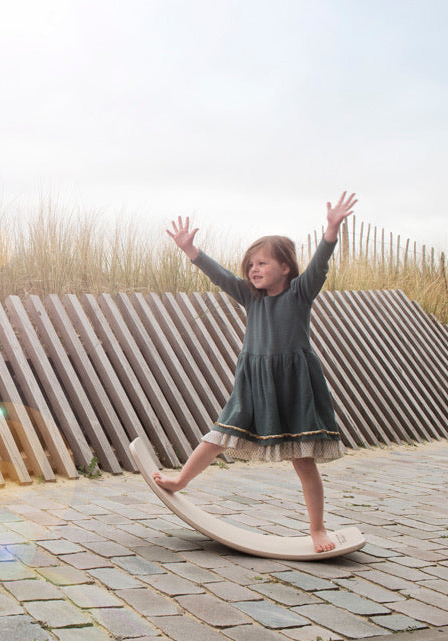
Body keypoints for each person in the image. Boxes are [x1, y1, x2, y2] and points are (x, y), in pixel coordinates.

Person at [153, 192, 358, 553]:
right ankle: (180, 480)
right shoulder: (251, 297)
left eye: (262, 263)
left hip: (294, 384)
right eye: (250, 265)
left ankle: (317, 529)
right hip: (254, 383)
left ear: (286, 268)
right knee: (218, 436)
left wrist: (331, 230)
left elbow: (319, 267)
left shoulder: (299, 293)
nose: (254, 270)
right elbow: (221, 276)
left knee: (303, 459)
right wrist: (191, 251)